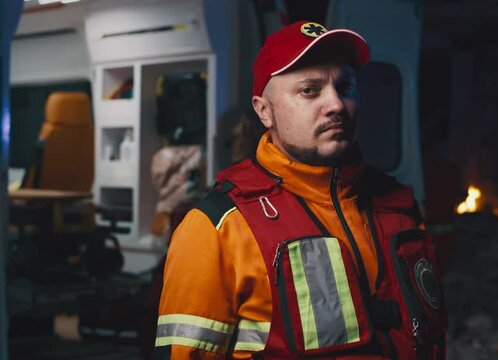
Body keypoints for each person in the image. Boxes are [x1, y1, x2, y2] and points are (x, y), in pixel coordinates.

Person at [155, 21, 447, 359]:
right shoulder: (219, 227)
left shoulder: (400, 208)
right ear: (264, 111)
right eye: (309, 90)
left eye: (346, 86)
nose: (336, 105)